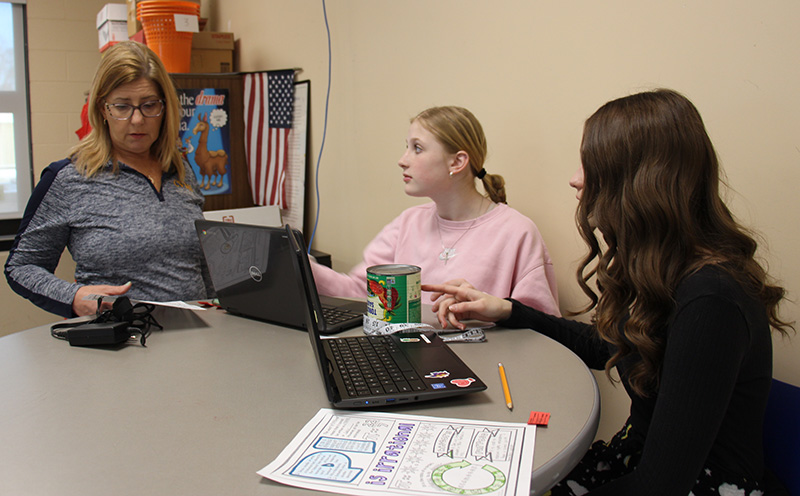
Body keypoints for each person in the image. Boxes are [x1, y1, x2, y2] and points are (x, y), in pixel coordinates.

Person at [423, 89, 793, 495]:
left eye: (591, 164)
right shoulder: (670, 267)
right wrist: (509, 311)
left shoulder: (712, 299)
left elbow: (661, 485)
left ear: (639, 180)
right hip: (644, 462)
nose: (575, 179)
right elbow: (612, 346)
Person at [5, 41, 211, 318]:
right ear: (102, 109)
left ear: (166, 108)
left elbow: (202, 264)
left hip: (196, 340)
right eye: (122, 107)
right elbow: (22, 266)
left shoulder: (181, 169)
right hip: (121, 345)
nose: (137, 120)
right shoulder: (69, 179)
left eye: (149, 105)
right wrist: (73, 297)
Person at [311, 106, 560, 316]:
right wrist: (305, 267)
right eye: (406, 147)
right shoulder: (408, 222)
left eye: (417, 148)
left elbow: (543, 326)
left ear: (457, 162)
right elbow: (361, 292)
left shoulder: (517, 232)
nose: (402, 160)